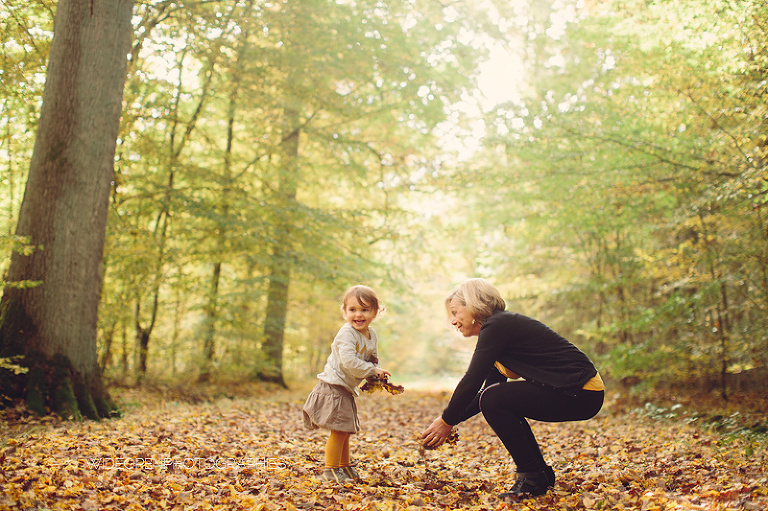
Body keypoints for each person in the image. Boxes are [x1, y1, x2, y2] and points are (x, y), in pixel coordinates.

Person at [421, 278, 604, 499]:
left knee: (494, 399)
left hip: (580, 391)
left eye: (455, 312)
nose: (453, 321)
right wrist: (450, 422)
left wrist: (446, 420)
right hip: (575, 392)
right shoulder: (496, 332)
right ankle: (538, 475)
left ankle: (532, 477)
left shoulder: (498, 325)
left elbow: (472, 380)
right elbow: (484, 393)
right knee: (493, 398)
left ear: (473, 305)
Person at [303, 285, 390, 482]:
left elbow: (371, 358)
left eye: (365, 309)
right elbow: (349, 361)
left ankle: (343, 467)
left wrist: (375, 373)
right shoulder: (346, 333)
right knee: (339, 430)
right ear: (344, 311)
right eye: (352, 310)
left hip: (345, 388)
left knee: (345, 429)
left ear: (376, 312)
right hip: (332, 387)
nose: (358, 315)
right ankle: (331, 469)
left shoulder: (371, 334)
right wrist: (371, 370)